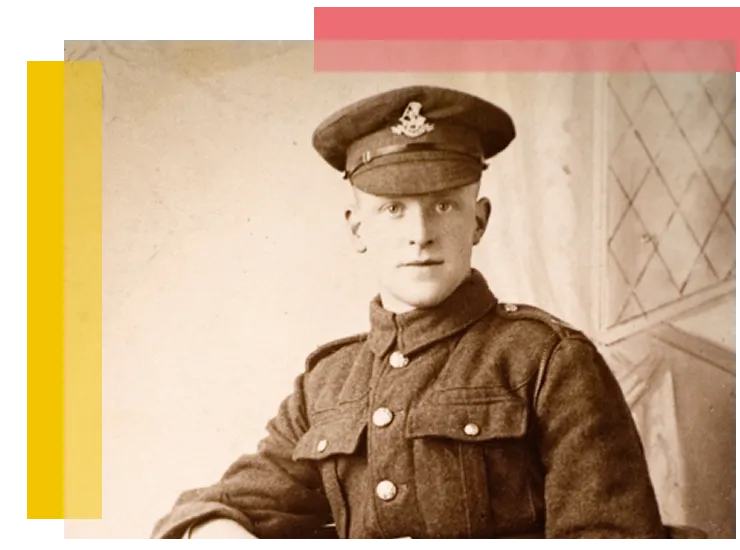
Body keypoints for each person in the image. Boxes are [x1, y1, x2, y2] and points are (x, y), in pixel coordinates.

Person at [150, 85, 668, 542]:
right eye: (392, 209)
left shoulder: (546, 359)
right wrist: (217, 529)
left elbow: (610, 534)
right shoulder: (326, 383)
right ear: (358, 230)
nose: (419, 234)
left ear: (479, 221)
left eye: (443, 206)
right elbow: (226, 503)